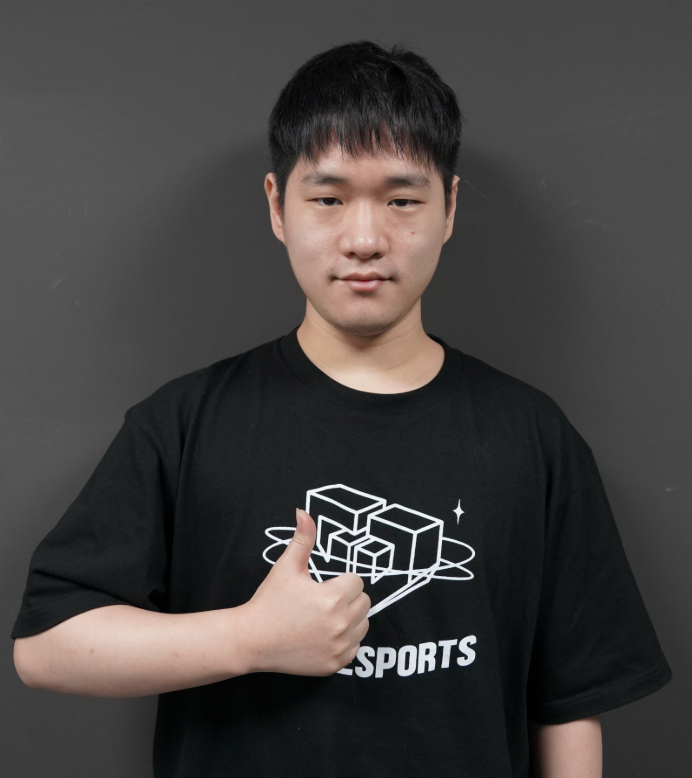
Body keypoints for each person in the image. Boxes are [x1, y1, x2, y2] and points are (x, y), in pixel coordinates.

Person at [12, 41, 670, 778]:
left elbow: (570, 701)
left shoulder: (533, 437)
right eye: (327, 199)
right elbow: (46, 647)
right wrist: (248, 639)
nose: (364, 240)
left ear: (449, 207)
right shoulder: (184, 424)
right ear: (277, 206)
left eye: (402, 200)